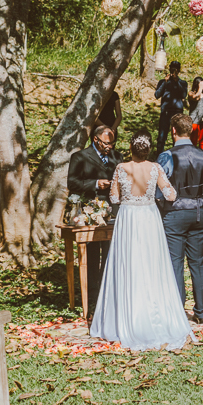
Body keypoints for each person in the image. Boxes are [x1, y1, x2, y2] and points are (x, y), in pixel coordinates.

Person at [90, 130, 196, 350]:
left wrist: (129, 195)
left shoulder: (121, 168)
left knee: (128, 263)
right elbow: (171, 195)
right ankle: (154, 310)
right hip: (149, 218)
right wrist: (155, 192)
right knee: (151, 264)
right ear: (148, 150)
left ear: (130, 148)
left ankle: (127, 314)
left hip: (128, 218)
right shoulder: (155, 168)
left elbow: (114, 197)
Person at [156, 115, 203, 323]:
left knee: (175, 262)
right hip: (199, 212)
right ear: (190, 131)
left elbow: (159, 189)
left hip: (174, 212)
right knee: (198, 263)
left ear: (173, 131)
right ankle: (201, 312)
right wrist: (199, 200)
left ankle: (176, 309)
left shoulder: (167, 156)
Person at [67, 124, 121, 301]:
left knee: (110, 251)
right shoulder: (80, 157)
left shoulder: (117, 157)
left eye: (112, 143)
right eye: (106, 143)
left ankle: (109, 290)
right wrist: (96, 183)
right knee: (91, 252)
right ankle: (91, 292)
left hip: (113, 210)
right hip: (90, 210)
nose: (109, 147)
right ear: (95, 140)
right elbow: (72, 182)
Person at [154, 61, 187, 155]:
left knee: (177, 135)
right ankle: (159, 155)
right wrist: (165, 82)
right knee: (162, 136)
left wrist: (177, 81)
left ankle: (176, 155)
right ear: (169, 69)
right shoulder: (163, 81)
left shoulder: (183, 83)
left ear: (179, 70)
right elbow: (157, 95)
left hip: (177, 112)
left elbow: (183, 95)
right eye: (172, 68)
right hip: (166, 112)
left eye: (176, 69)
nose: (174, 71)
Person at [188, 76, 203, 149]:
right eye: (200, 85)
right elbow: (195, 97)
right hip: (194, 120)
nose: (202, 87)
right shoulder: (191, 93)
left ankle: (202, 156)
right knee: (193, 141)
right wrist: (200, 89)